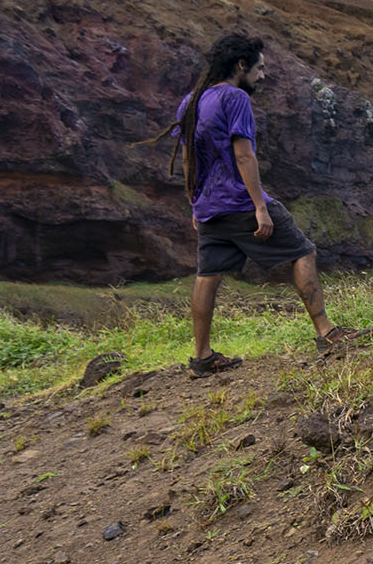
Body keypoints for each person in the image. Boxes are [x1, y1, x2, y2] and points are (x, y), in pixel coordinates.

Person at [148, 32, 361, 376]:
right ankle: (327, 334)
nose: (263, 76)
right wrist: (260, 206)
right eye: (259, 69)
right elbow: (244, 156)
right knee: (302, 251)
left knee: (208, 276)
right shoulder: (234, 99)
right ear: (241, 65)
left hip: (208, 207)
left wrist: (194, 203)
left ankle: (202, 356)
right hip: (240, 203)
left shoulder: (191, 100)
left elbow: (188, 159)